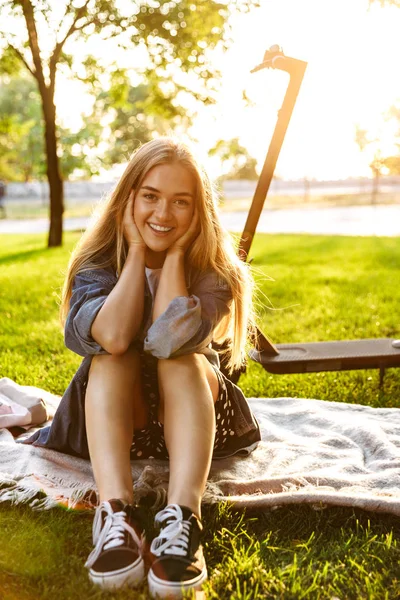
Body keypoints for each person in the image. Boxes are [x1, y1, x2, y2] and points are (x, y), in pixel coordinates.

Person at [25, 137, 261, 598]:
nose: (164, 214)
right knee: (113, 358)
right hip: (117, 418)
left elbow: (170, 339)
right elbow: (111, 337)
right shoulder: (97, 264)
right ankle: (117, 514)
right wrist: (135, 253)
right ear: (127, 198)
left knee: (181, 359)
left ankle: (182, 518)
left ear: (200, 212)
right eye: (150, 196)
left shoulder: (214, 271)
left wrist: (174, 257)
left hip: (193, 414)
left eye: (181, 202)